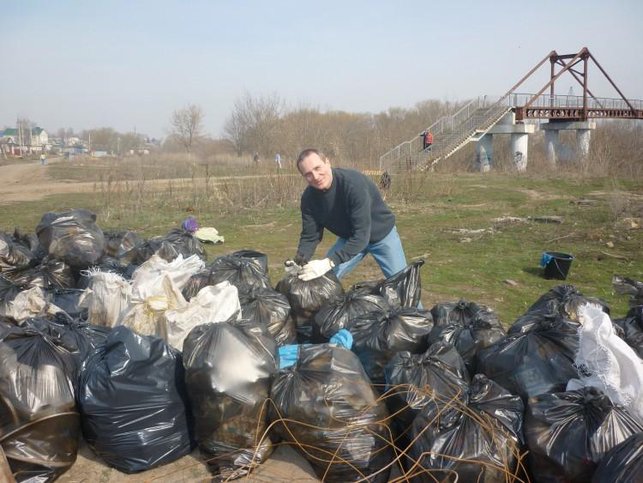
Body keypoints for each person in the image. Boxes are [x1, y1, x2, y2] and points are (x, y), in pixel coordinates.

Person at [291, 148, 409, 282]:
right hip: (350, 239)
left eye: (317, 168)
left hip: (381, 235)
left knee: (402, 285)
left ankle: (408, 295)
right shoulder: (309, 199)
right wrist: (299, 260)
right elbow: (310, 236)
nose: (316, 176)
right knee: (323, 280)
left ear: (327, 162)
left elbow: (362, 236)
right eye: (308, 174)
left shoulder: (353, 184)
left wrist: (329, 262)